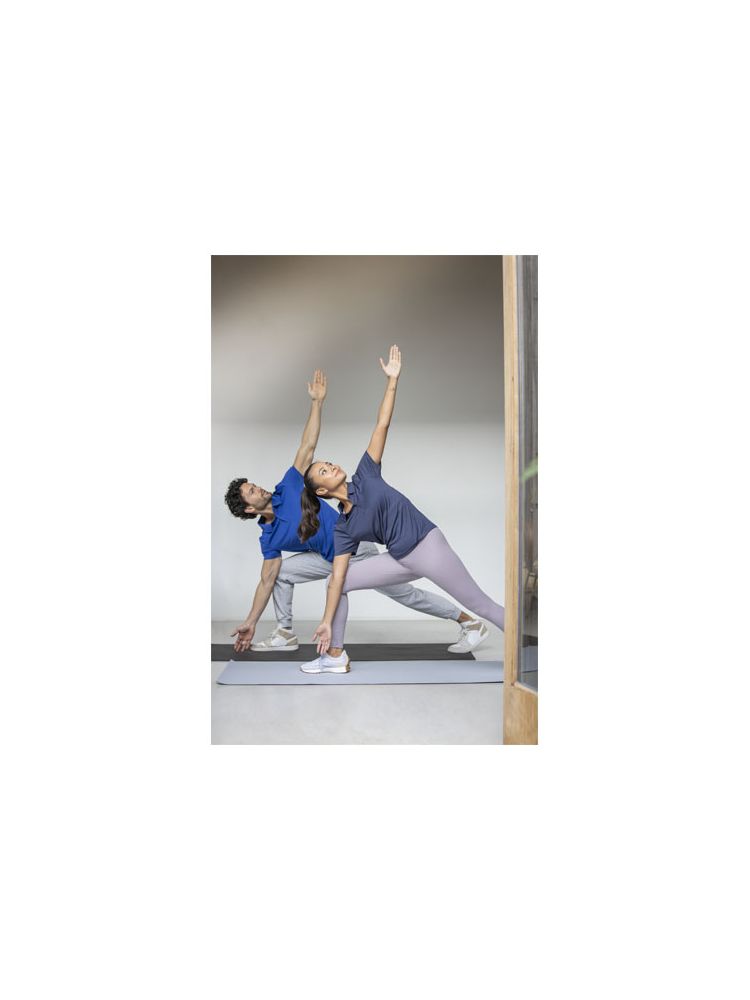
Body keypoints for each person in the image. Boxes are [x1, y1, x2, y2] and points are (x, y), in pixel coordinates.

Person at [223, 368, 484, 654]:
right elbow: (267, 580)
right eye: (252, 491)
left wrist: (317, 403)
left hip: (356, 549)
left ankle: (469, 622)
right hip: (329, 558)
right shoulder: (269, 537)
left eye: (254, 485)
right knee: (281, 574)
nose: (259, 488)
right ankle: (284, 633)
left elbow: (307, 446)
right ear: (249, 509)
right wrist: (250, 621)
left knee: (405, 595)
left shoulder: (288, 487)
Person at [298, 346, 505, 674]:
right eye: (324, 470)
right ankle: (334, 655)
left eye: (329, 462)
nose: (331, 466)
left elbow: (382, 425)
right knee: (339, 581)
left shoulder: (366, 475)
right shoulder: (344, 527)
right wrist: (325, 621)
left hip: (429, 548)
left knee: (481, 604)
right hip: (400, 558)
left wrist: (392, 381)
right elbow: (337, 577)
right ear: (321, 491)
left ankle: (529, 651)